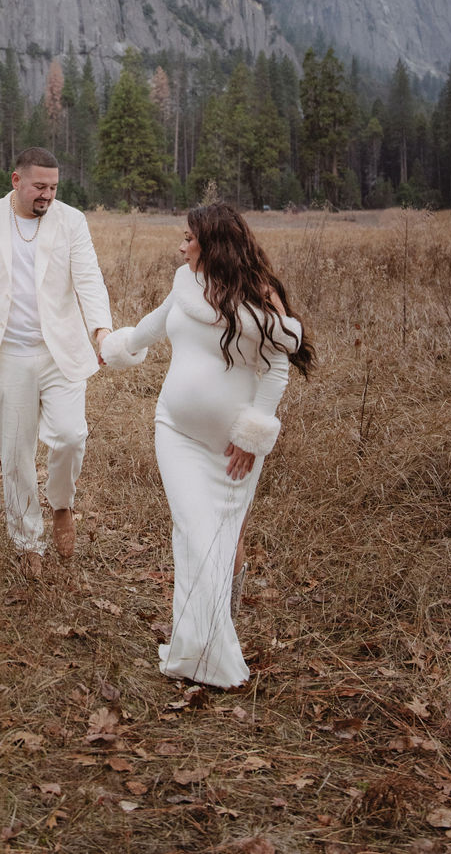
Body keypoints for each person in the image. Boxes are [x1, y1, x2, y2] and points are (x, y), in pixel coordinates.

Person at [101, 202, 313, 688]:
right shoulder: (184, 285)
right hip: (174, 430)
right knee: (195, 534)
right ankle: (201, 651)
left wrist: (252, 437)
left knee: (219, 539)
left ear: (214, 244)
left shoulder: (260, 298)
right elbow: (150, 329)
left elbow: (277, 368)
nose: (181, 246)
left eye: (189, 239)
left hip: (230, 448)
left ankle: (204, 645)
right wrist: (111, 349)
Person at [0, 147, 113, 578]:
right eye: (40, 187)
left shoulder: (71, 220)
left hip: (59, 352)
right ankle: (28, 541)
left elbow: (89, 280)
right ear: (16, 181)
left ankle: (62, 504)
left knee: (70, 435)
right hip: (7, 355)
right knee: (15, 453)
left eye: (54, 187)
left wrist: (101, 330)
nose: (47, 195)